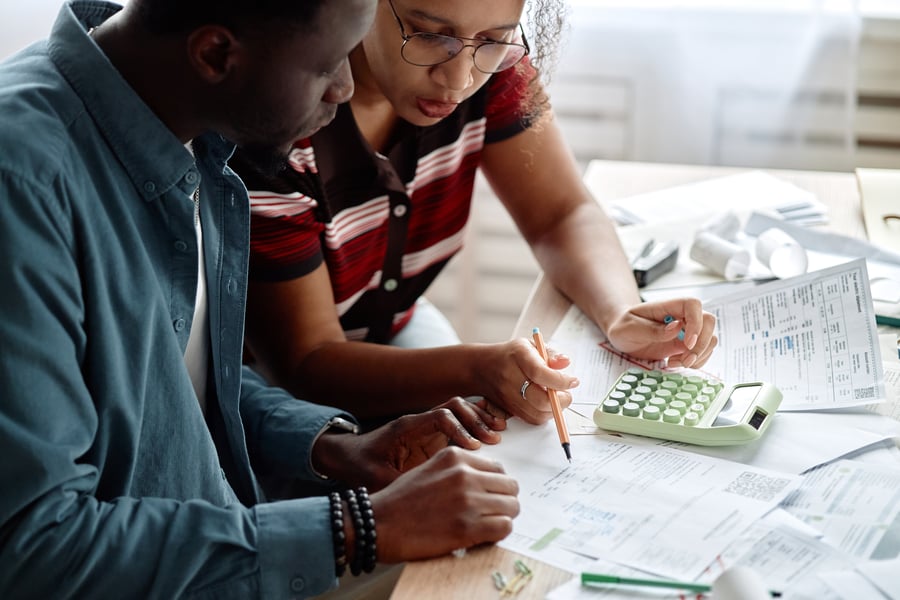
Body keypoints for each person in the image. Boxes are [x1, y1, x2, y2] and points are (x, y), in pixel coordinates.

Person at [0, 1, 521, 598]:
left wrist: (333, 448)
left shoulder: (184, 128)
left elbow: (167, 384)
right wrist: (357, 527)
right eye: (328, 66)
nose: (346, 90)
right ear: (216, 54)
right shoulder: (23, 183)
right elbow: (31, 546)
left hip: (225, 533)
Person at [231, 0, 719, 424]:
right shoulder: (280, 133)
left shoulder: (494, 70)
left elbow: (561, 213)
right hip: (276, 392)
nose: (458, 78)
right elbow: (308, 361)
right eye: (429, 34)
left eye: (494, 39)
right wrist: (476, 369)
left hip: (396, 327)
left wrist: (619, 311)